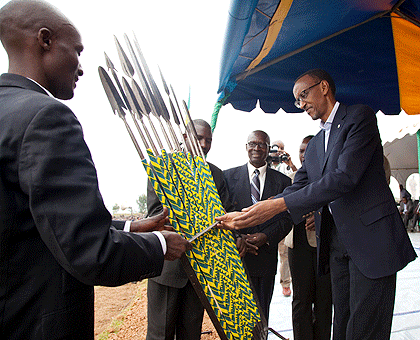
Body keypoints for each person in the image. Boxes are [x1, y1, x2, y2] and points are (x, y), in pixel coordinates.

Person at [0, 1, 191, 339]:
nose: (81, 68)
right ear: (44, 41)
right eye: (76, 51)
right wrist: (161, 245)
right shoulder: (46, 118)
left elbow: (31, 221)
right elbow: (91, 252)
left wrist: (130, 226)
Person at [217, 69, 417, 340]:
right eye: (297, 101)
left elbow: (344, 177)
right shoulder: (315, 146)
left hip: (370, 241)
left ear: (323, 87)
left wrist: (277, 206)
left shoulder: (358, 117)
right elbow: (298, 187)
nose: (301, 105)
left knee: (366, 330)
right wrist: (248, 216)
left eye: (303, 95)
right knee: (342, 326)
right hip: (336, 244)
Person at [146, 119, 234, 340]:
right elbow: (156, 214)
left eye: (209, 140)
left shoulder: (216, 174)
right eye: (199, 138)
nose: (204, 144)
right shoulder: (163, 167)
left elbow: (224, 215)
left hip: (201, 270)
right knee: (160, 334)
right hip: (168, 268)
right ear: (185, 138)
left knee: (191, 332)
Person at [223, 130, 293, 321]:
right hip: (236, 257)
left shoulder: (283, 182)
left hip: (265, 258)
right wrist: (238, 238)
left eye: (262, 144)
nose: (257, 148)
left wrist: (266, 237)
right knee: (234, 318)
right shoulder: (227, 177)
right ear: (246, 147)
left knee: (261, 317)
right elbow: (221, 214)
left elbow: (287, 219)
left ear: (268, 149)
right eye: (252, 143)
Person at [283, 135, 332, 340]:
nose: (305, 155)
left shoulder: (330, 179)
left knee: (323, 301)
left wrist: (320, 215)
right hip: (297, 246)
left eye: (309, 150)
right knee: (301, 300)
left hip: (323, 246)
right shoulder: (293, 180)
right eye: (302, 151)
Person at [269, 139, 295, 297]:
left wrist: (291, 163)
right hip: (268, 218)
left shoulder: (287, 167)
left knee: (284, 253)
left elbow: (299, 180)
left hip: (283, 217)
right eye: (275, 150)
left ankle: (285, 283)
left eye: (281, 150)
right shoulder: (265, 165)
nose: (278, 153)